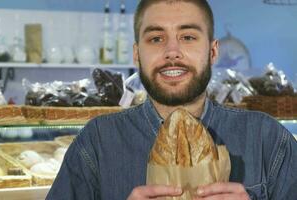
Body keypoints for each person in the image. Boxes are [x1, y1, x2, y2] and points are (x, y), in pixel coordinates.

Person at [46, 0, 297, 199]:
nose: (172, 52)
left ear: (212, 51)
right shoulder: (97, 141)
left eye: (188, 37)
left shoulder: (268, 138)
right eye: (156, 38)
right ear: (137, 54)